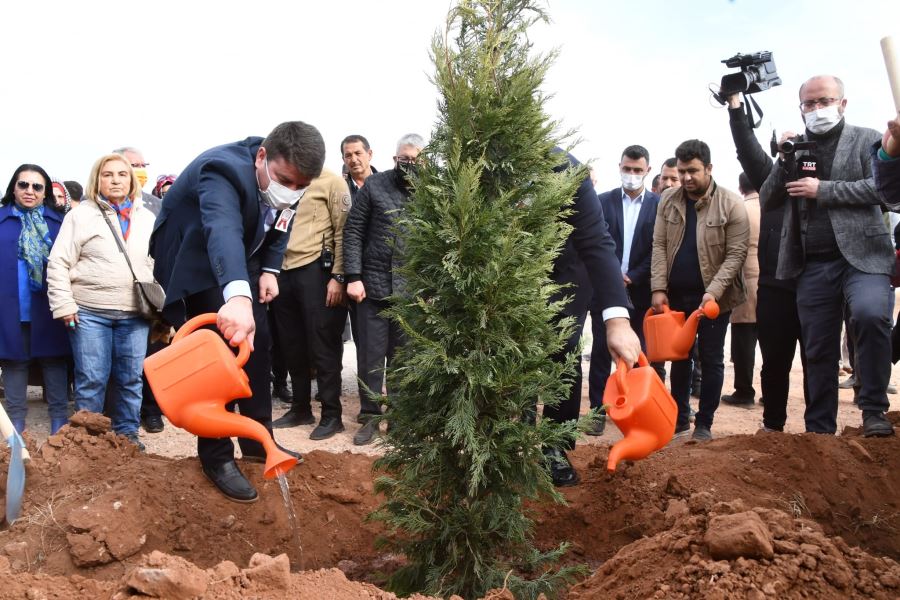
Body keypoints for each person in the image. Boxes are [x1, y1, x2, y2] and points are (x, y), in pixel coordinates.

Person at [150, 121, 325, 503]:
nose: (291, 191)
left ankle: (259, 442)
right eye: (285, 180)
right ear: (262, 156)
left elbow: (280, 221)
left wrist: (269, 270)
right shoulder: (222, 169)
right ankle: (216, 457)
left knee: (256, 346)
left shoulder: (287, 182)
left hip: (242, 259)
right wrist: (238, 297)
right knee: (218, 356)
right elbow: (222, 229)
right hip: (194, 257)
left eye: (301, 186)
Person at [751, 76, 894, 437]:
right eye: (809, 104)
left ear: (843, 103)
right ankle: (819, 429)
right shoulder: (795, 148)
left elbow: (883, 190)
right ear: (801, 109)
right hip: (812, 262)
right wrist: (783, 159)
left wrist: (823, 190)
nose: (817, 109)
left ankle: (874, 409)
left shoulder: (868, 139)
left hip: (864, 257)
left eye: (825, 101)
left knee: (870, 314)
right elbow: (768, 198)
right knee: (817, 347)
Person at [537, 148, 641, 486]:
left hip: (564, 273)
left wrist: (617, 320)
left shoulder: (565, 169)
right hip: (498, 274)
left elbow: (596, 242)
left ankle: (554, 445)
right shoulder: (473, 159)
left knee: (563, 353)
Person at [47, 154, 157, 449]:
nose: (116, 180)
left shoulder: (147, 218)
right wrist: (64, 305)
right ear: (97, 179)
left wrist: (161, 309)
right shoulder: (80, 215)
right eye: (108, 174)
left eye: (122, 174)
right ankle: (89, 439)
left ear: (131, 180)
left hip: (134, 314)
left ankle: (128, 436)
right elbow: (58, 262)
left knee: (131, 380)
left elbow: (156, 263)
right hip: (89, 312)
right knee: (92, 380)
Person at [650, 139, 749, 441]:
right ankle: (680, 420)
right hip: (677, 296)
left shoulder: (731, 204)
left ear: (708, 168)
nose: (686, 178)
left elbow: (736, 254)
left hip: (714, 299)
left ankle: (704, 423)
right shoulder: (668, 199)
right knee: (679, 358)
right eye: (682, 171)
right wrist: (658, 287)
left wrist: (714, 292)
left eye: (693, 171)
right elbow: (659, 244)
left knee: (711, 356)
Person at [343, 133, 424, 446]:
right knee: (371, 358)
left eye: (415, 159)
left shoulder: (432, 193)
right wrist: (353, 276)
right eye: (404, 159)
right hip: (372, 287)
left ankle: (401, 420)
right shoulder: (375, 186)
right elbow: (353, 232)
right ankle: (371, 417)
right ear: (394, 159)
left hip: (411, 292)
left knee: (403, 359)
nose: (408, 164)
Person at [271, 168, 350, 440]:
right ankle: (300, 408)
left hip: (317, 271)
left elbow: (343, 230)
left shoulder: (331, 182)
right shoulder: (281, 182)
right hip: (283, 270)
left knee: (323, 345)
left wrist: (339, 276)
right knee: (291, 344)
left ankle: (332, 415)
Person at [587, 145, 660, 436]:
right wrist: (612, 275)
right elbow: (595, 243)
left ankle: (635, 412)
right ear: (619, 167)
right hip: (605, 290)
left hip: (641, 289)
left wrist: (634, 275)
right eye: (627, 169)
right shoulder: (601, 202)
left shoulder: (659, 205)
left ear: (647, 171)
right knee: (602, 351)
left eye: (637, 170)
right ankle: (597, 411)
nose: (631, 175)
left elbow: (660, 247)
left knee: (639, 352)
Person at [0, 164, 71, 434]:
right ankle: (16, 423)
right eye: (23, 185)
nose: (30, 191)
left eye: (37, 186)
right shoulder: (1, 220)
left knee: (54, 361)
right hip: (8, 308)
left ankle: (59, 421)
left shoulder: (60, 224)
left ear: (45, 193)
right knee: (14, 361)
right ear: (13, 188)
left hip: (48, 306)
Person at [721, 173, 761, 406]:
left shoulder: (740, 209)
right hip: (775, 282)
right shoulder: (773, 207)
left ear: (740, 187)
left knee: (745, 340)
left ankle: (744, 391)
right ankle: (774, 391)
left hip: (746, 281)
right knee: (774, 343)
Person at [112, 146, 162, 215]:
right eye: (135, 165)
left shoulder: (158, 205)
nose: (141, 170)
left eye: (143, 166)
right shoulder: (102, 204)